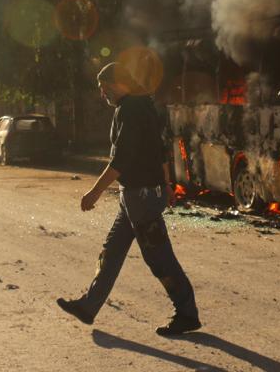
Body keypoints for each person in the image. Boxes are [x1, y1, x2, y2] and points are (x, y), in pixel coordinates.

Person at [56, 62, 200, 336]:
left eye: (104, 88)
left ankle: (187, 313)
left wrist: (94, 192)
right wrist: (167, 183)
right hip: (135, 196)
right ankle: (89, 306)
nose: (102, 94)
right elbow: (160, 149)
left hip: (141, 197)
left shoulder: (130, 110)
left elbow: (121, 158)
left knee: (159, 258)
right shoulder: (143, 104)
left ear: (117, 83)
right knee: (111, 253)